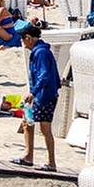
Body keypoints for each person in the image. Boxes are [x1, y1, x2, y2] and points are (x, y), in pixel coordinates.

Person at [16, 25, 59, 170]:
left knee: (45, 128)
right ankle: (29, 156)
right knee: (27, 122)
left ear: (28, 38)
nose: (22, 42)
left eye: (23, 39)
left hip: (43, 96)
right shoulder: (41, 51)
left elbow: (44, 75)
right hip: (43, 95)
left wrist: (33, 93)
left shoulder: (40, 52)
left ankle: (51, 163)